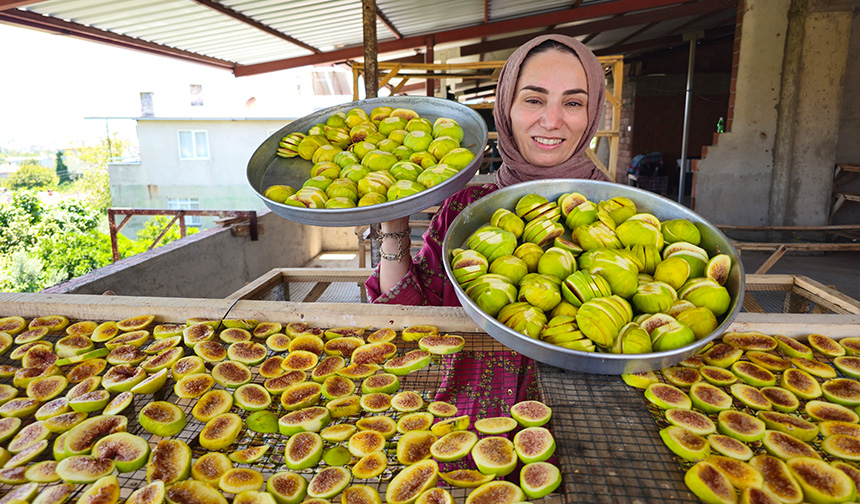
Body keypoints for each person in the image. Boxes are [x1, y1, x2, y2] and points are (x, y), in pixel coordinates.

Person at [366, 34, 609, 419]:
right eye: (533, 99)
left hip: (590, 435)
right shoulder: (464, 208)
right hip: (468, 425)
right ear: (506, 107)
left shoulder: (621, 216)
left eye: (573, 102)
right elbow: (408, 318)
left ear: (593, 111)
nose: (551, 120)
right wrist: (394, 223)